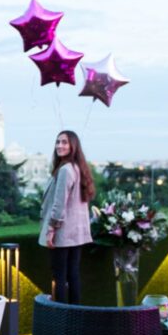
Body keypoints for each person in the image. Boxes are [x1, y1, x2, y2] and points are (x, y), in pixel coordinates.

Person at [39, 130, 95, 304]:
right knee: (73, 274)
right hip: (76, 234)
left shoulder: (65, 170)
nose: (59, 146)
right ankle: (75, 315)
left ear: (73, 146)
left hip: (62, 233)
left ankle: (63, 317)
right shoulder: (78, 168)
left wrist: (50, 230)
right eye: (57, 142)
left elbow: (59, 204)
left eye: (64, 142)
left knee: (60, 277)